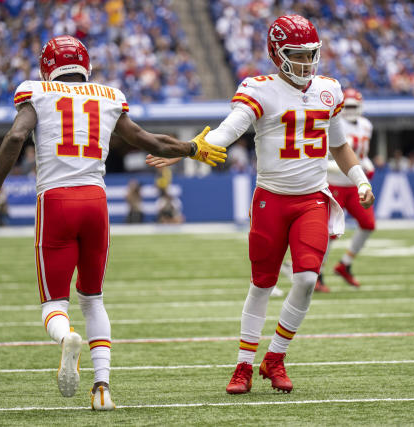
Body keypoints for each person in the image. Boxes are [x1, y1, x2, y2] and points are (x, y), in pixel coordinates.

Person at [0, 35, 226, 410]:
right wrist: (191, 148)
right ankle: (102, 388)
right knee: (93, 299)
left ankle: (66, 339)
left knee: (53, 303)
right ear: (84, 65)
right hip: (96, 201)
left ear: (48, 68)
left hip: (56, 200)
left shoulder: (36, 92)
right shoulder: (107, 95)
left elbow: (15, 137)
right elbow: (146, 140)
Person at [146, 15, 374, 394]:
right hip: (271, 199)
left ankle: (276, 356)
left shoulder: (329, 90)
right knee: (262, 284)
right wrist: (191, 148)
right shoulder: (260, 89)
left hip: (313, 199)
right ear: (277, 54)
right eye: (298, 55)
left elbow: (339, 145)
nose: (307, 63)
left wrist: (360, 179)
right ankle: (243, 365)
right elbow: (228, 129)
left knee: (304, 280)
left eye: (311, 54)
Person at [318, 88, 376, 291]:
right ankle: (318, 274)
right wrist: (351, 168)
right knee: (330, 233)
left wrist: (366, 166)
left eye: (354, 106)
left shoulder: (366, 125)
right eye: (347, 106)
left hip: (354, 186)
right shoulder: (333, 124)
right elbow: (321, 159)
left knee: (368, 224)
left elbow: (362, 154)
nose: (350, 111)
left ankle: (345, 264)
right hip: (334, 184)